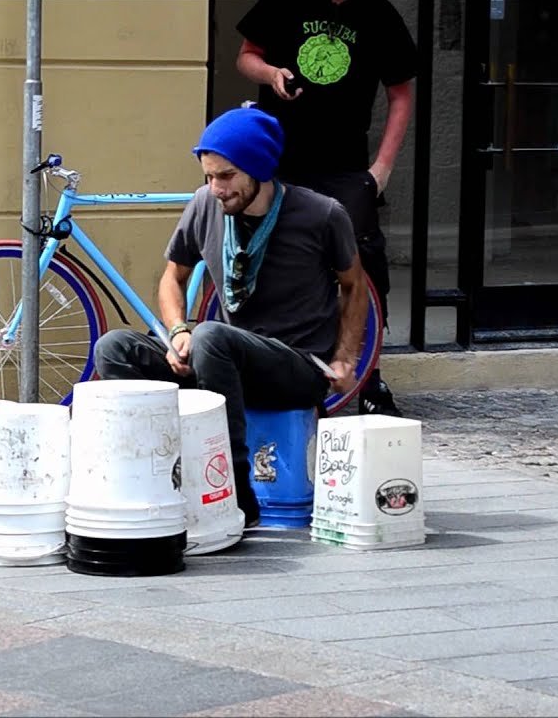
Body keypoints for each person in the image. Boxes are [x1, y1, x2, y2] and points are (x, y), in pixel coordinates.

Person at [92, 107, 368, 527]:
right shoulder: (205, 205)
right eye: (208, 176)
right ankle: (149, 475)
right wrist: (177, 332)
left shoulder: (322, 214)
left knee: (212, 337)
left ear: (258, 168)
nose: (215, 188)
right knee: (114, 347)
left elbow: (354, 286)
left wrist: (345, 358)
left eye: (226, 176)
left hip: (295, 366)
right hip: (220, 363)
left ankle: (234, 495)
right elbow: (172, 277)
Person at [236, 0, 415, 417]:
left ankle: (369, 378)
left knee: (363, 263)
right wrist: (270, 73)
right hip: (279, 159)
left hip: (346, 165)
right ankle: (271, 368)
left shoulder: (379, 13)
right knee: (271, 259)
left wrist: (382, 168)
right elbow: (246, 56)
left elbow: (401, 94)